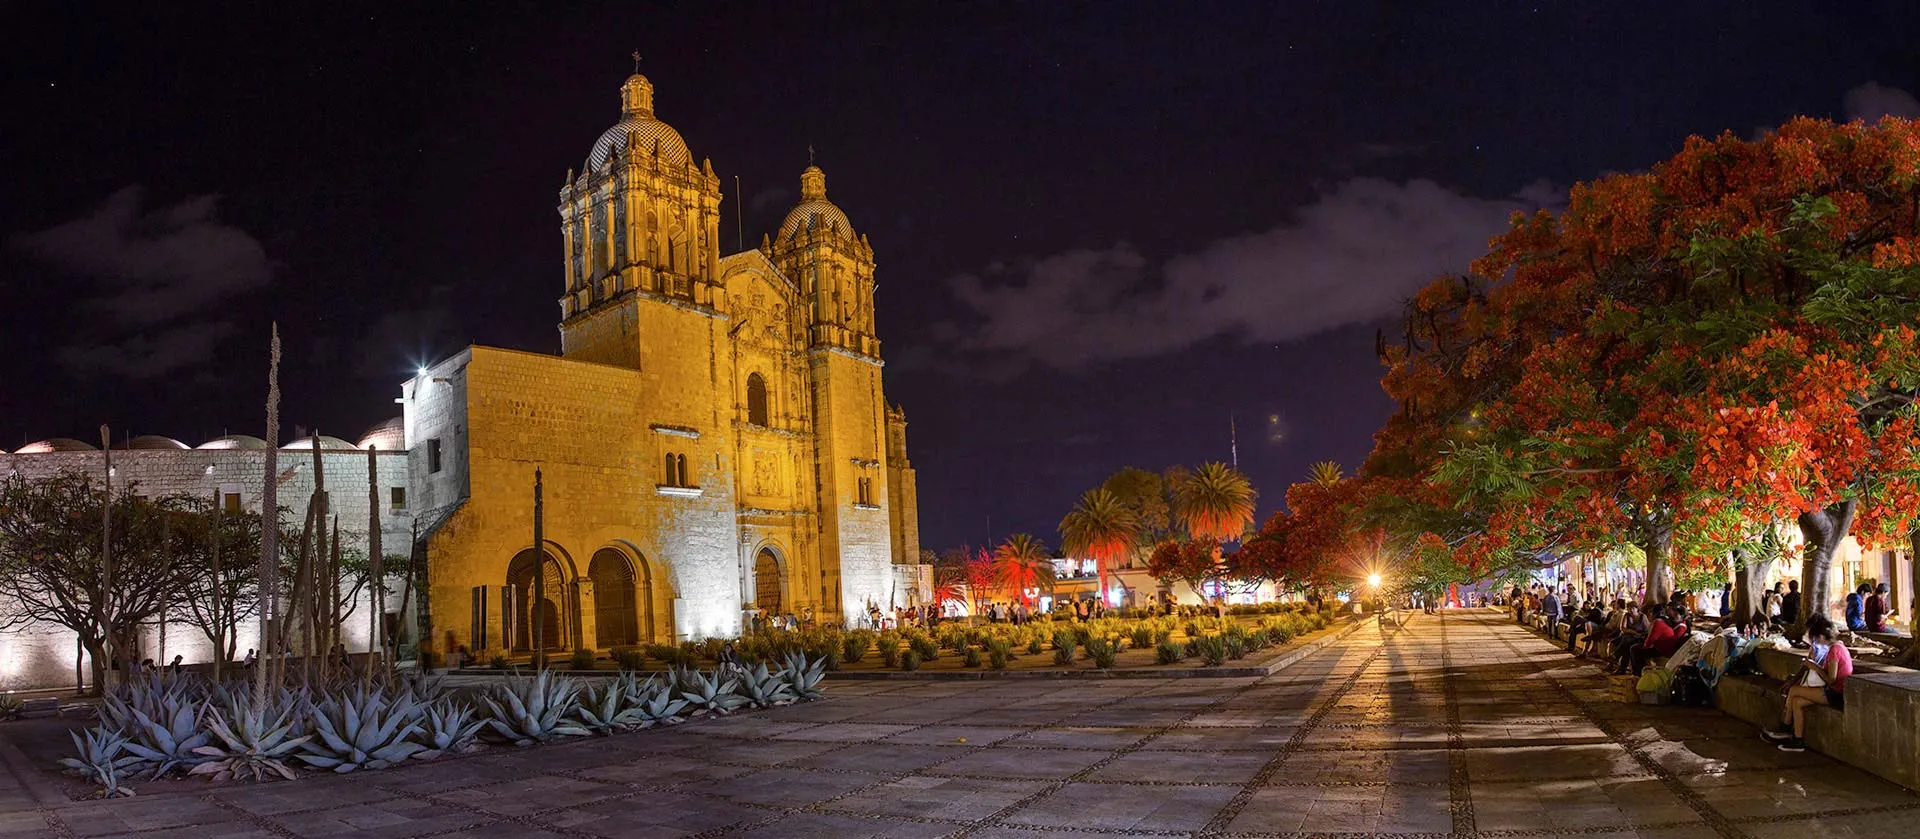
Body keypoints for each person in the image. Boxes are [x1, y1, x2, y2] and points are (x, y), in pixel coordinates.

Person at [1763, 618, 1851, 752]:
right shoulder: (1837, 646)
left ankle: (1785, 727)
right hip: (1833, 690)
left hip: (1835, 693)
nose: (1815, 642)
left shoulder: (1834, 650)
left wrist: (1814, 667)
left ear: (1821, 636)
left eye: (1816, 638)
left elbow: (1831, 679)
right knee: (1797, 702)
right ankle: (1798, 740)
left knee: (1794, 690)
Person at [1631, 606, 1689, 676]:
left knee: (1635, 649)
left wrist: (1646, 645)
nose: (1673, 616)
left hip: (1665, 650)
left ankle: (1638, 674)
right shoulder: (1671, 622)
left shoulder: (1660, 623)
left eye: (1676, 614)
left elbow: (1650, 641)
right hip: (1665, 647)